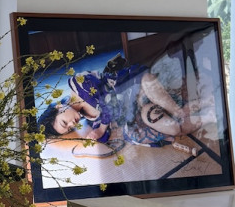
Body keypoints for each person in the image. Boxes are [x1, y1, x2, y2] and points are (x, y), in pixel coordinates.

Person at [37, 52, 215, 148]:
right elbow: (105, 133)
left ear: (59, 107)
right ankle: (210, 116)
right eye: (69, 129)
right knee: (172, 128)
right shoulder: (84, 116)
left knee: (150, 85)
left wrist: (100, 130)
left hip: (137, 86)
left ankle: (189, 108)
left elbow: (107, 104)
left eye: (64, 122)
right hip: (137, 109)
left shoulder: (78, 83)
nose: (72, 125)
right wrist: (97, 134)